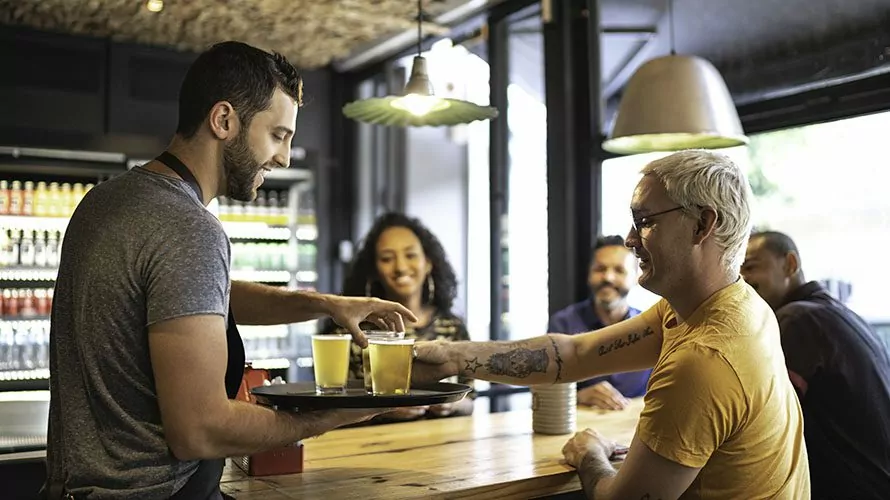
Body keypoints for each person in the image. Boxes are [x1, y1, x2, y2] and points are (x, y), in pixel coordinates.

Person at [43, 41, 416, 500]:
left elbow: (184, 296)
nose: (283, 157)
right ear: (223, 121)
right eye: (278, 135)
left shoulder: (106, 202)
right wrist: (334, 414)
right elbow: (199, 431)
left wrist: (324, 304)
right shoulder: (190, 229)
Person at [414, 150, 810, 499]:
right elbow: (574, 354)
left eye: (645, 221)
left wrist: (591, 455)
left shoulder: (704, 358)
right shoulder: (723, 305)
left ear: (702, 225)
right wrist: (452, 357)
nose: (630, 239)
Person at [742, 230, 890, 500]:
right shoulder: (838, 312)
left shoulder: (796, 320)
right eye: (738, 271)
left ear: (790, 265)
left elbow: (762, 428)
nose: (743, 280)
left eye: (751, 266)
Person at [321, 212, 474, 421]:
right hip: (369, 447)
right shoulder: (350, 329)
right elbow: (330, 407)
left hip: (442, 445)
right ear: (374, 269)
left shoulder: (453, 327)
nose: (400, 267)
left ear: (428, 263)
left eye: (410, 255)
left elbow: (470, 401)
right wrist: (384, 410)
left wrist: (452, 403)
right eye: (386, 258)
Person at [547, 235, 651, 410]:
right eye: (600, 269)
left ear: (636, 278)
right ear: (589, 275)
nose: (608, 277)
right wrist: (578, 396)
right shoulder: (563, 324)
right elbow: (546, 388)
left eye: (619, 270)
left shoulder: (650, 326)